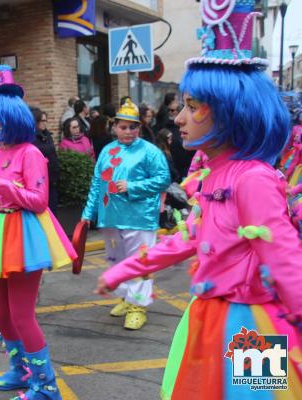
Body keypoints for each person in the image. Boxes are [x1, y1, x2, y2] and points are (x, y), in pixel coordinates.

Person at [96, 2, 302, 397]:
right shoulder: (214, 172)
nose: (178, 117)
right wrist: (123, 271)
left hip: (250, 325)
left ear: (231, 113)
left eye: (192, 107)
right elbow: (189, 237)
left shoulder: (253, 178)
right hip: (207, 316)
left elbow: (285, 257)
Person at [0, 64, 76, 400]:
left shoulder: (31, 153)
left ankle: (47, 386)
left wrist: (0, 184)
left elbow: (38, 201)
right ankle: (22, 369)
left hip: (23, 237)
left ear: (8, 120)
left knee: (21, 314)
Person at [82, 99, 171, 330]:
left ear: (139, 128)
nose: (128, 131)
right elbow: (96, 183)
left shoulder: (150, 151)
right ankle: (125, 297)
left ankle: (138, 306)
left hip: (139, 217)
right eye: (123, 127)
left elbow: (163, 180)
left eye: (133, 127)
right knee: (116, 260)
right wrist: (87, 213)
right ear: (114, 127)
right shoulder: (107, 150)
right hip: (110, 216)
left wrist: (133, 186)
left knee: (139, 261)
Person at [31, 107, 60, 214]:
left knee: (53, 210)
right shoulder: (32, 138)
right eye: (42, 121)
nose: (44, 123)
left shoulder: (47, 135)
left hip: (52, 179)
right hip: (40, 181)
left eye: (45, 120)